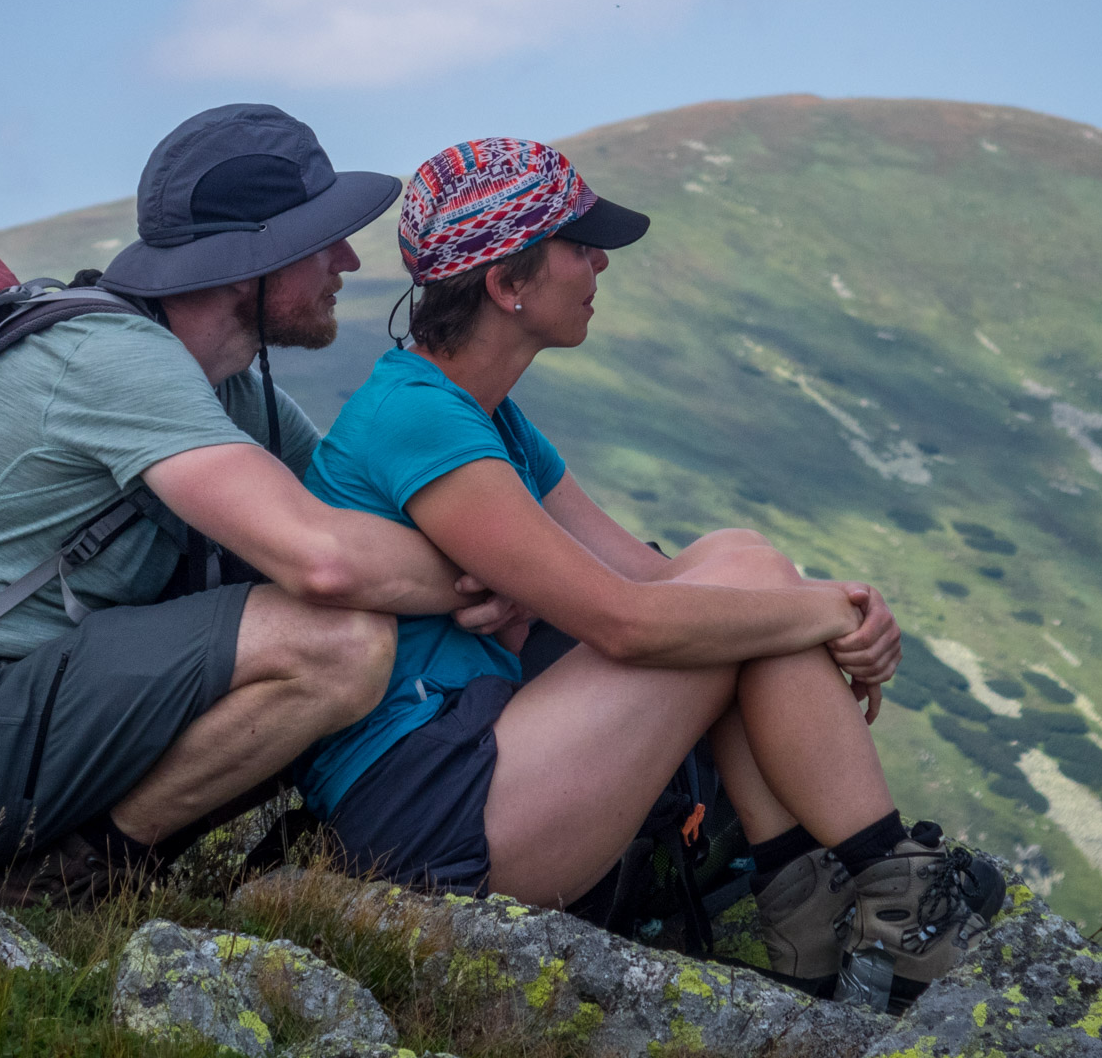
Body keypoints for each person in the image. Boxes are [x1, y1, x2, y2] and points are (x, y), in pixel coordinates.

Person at [298, 137, 1004, 1010]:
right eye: (578, 244)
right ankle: (893, 899)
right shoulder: (415, 417)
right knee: (744, 599)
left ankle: (817, 907)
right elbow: (627, 621)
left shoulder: (492, 420)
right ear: (506, 283)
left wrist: (802, 608)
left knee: (739, 558)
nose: (599, 262)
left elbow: (659, 582)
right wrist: (832, 613)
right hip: (434, 821)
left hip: (492, 764)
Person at [0, 104, 520, 907]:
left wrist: (493, 560)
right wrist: (498, 574)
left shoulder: (224, 385)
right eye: (320, 240)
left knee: (368, 606)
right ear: (249, 264)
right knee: (339, 640)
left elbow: (369, 520)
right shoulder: (110, 359)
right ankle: (73, 880)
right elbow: (327, 556)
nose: (349, 257)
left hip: (18, 717)